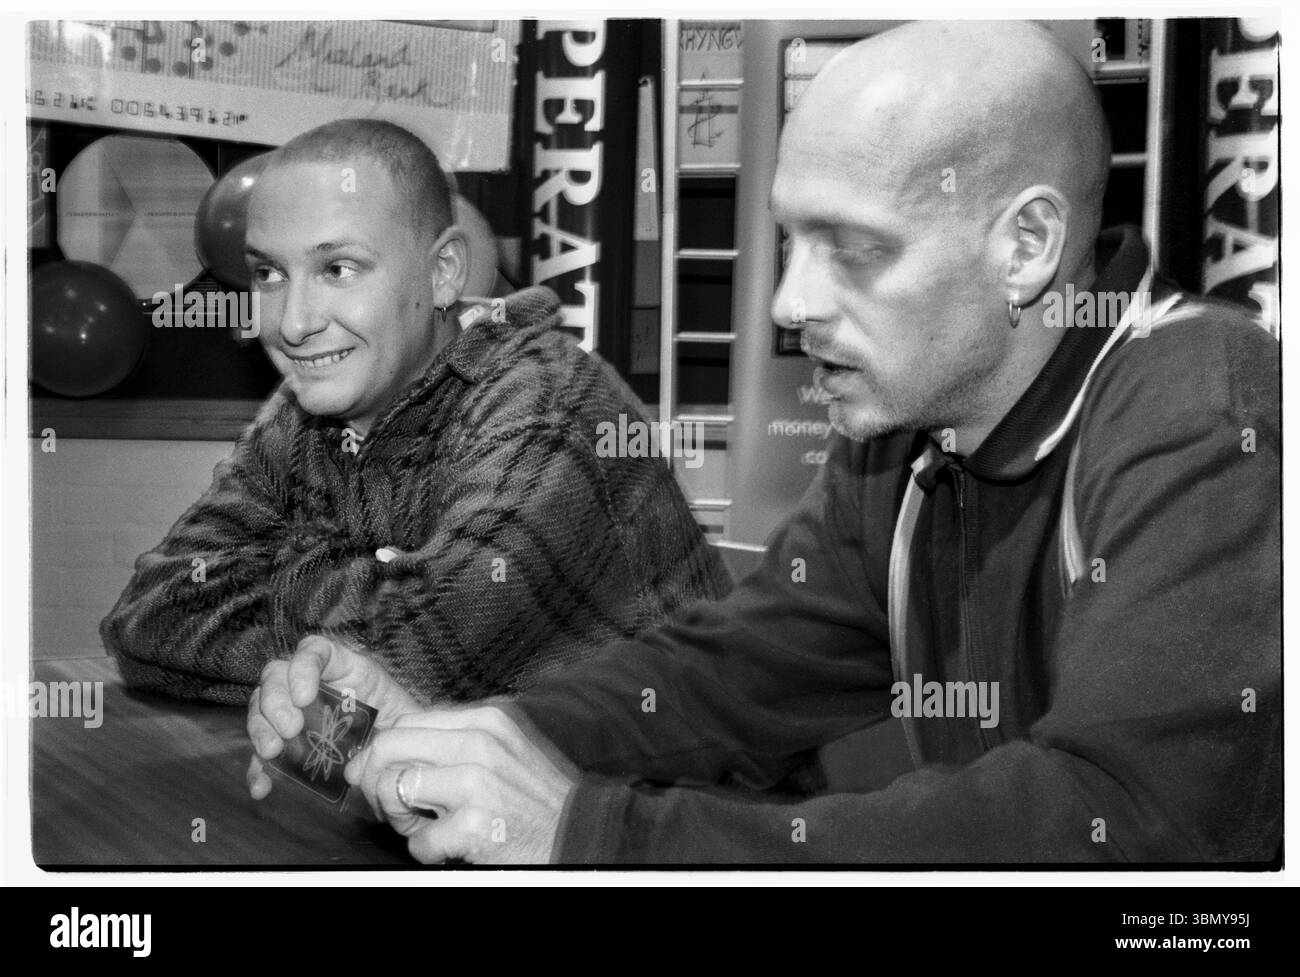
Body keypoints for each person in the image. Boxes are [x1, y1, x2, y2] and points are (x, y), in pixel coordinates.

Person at [248, 22, 1281, 864]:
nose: (790, 301)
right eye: (794, 239)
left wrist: (591, 829)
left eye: (855, 248)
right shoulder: (905, 439)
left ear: (1024, 246)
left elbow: (1135, 823)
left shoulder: (1203, 407)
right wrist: (472, 734)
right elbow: (731, 672)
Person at [103, 119, 729, 707]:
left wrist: (292, 568)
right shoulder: (311, 403)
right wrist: (367, 600)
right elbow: (148, 618)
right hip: (457, 806)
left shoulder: (549, 409)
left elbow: (419, 653)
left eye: (338, 268)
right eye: (269, 273)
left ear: (443, 272)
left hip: (675, 812)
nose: (292, 323)